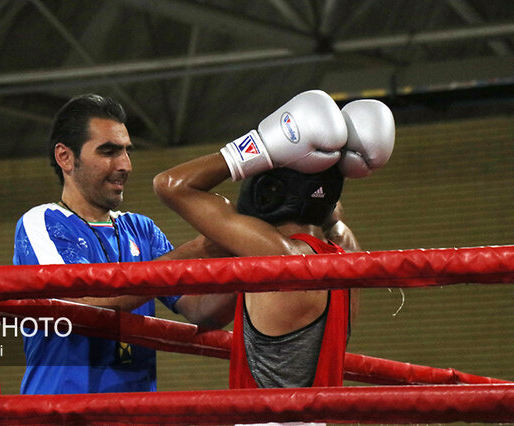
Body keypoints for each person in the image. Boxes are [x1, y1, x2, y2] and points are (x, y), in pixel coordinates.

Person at [154, 90, 394, 388]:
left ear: (267, 191)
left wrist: (259, 147)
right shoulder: (347, 254)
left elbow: (171, 185)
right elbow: (205, 314)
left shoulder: (281, 257)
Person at [13, 93, 234, 395]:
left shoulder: (141, 229)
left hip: (133, 414)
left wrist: (245, 250)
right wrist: (191, 253)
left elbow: (201, 311)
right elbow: (78, 307)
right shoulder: (43, 222)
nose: (125, 165)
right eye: (108, 152)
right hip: (62, 417)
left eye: (127, 151)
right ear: (65, 157)